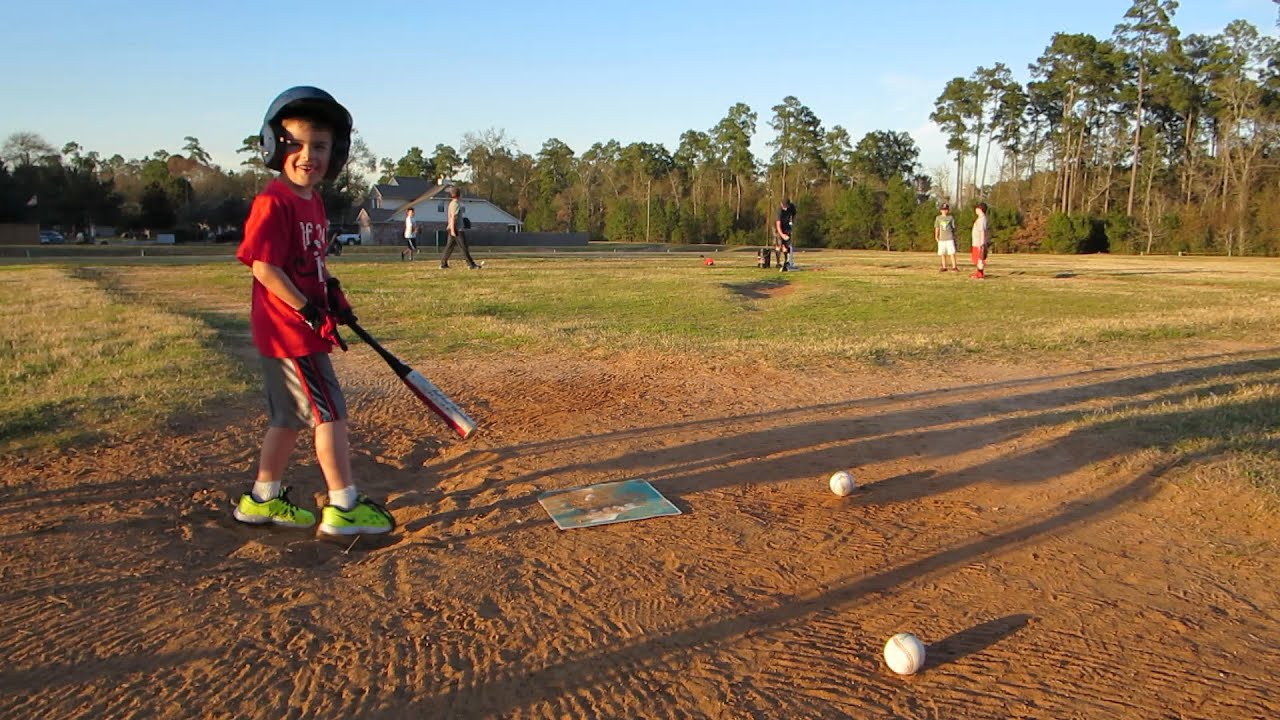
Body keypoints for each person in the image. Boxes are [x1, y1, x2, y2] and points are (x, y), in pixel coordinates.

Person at [233, 86, 395, 537]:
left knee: (287, 418)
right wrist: (308, 310)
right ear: (273, 146)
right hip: (291, 334)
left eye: (319, 146)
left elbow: (310, 262)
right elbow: (265, 268)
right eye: (295, 145)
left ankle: (262, 499)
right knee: (330, 414)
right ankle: (343, 505)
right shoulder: (274, 201)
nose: (308, 156)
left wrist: (332, 293)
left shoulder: (313, 201)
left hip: (298, 328)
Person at [440, 185, 480, 270]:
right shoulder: (456, 204)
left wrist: (450, 228)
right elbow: (453, 217)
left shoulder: (452, 203)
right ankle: (471, 264)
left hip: (452, 228)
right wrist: (453, 230)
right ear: (459, 195)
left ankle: (443, 264)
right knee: (463, 247)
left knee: (449, 247)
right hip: (457, 229)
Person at [934, 203, 959, 272]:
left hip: (949, 237)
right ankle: (944, 266)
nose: (944, 211)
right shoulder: (938, 218)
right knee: (942, 253)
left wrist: (954, 236)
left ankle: (954, 267)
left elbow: (953, 228)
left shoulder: (950, 218)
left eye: (946, 210)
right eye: (943, 209)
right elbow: (937, 227)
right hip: (942, 238)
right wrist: (936, 236)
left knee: (952, 252)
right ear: (940, 210)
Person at [774, 198, 796, 271]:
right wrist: (782, 235)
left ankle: (786, 261)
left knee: (786, 245)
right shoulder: (779, 211)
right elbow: (778, 225)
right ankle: (778, 263)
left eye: (786, 206)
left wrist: (792, 221)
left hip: (787, 226)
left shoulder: (792, 207)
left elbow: (794, 215)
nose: (785, 207)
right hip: (779, 228)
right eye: (784, 206)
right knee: (779, 244)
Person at [970, 202, 990, 279]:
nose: (976, 209)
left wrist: (981, 244)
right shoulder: (981, 218)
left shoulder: (982, 219)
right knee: (977, 259)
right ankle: (978, 272)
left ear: (980, 209)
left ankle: (980, 274)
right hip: (976, 242)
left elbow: (982, 232)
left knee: (979, 259)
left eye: (977, 208)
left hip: (979, 242)